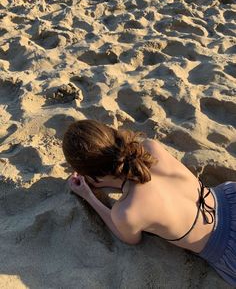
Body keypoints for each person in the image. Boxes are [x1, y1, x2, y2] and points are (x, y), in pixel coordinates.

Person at [62, 119, 236, 286]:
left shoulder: (127, 211)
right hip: (229, 197)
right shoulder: (151, 147)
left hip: (226, 247)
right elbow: (145, 180)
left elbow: (129, 238)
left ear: (92, 174)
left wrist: (88, 196)